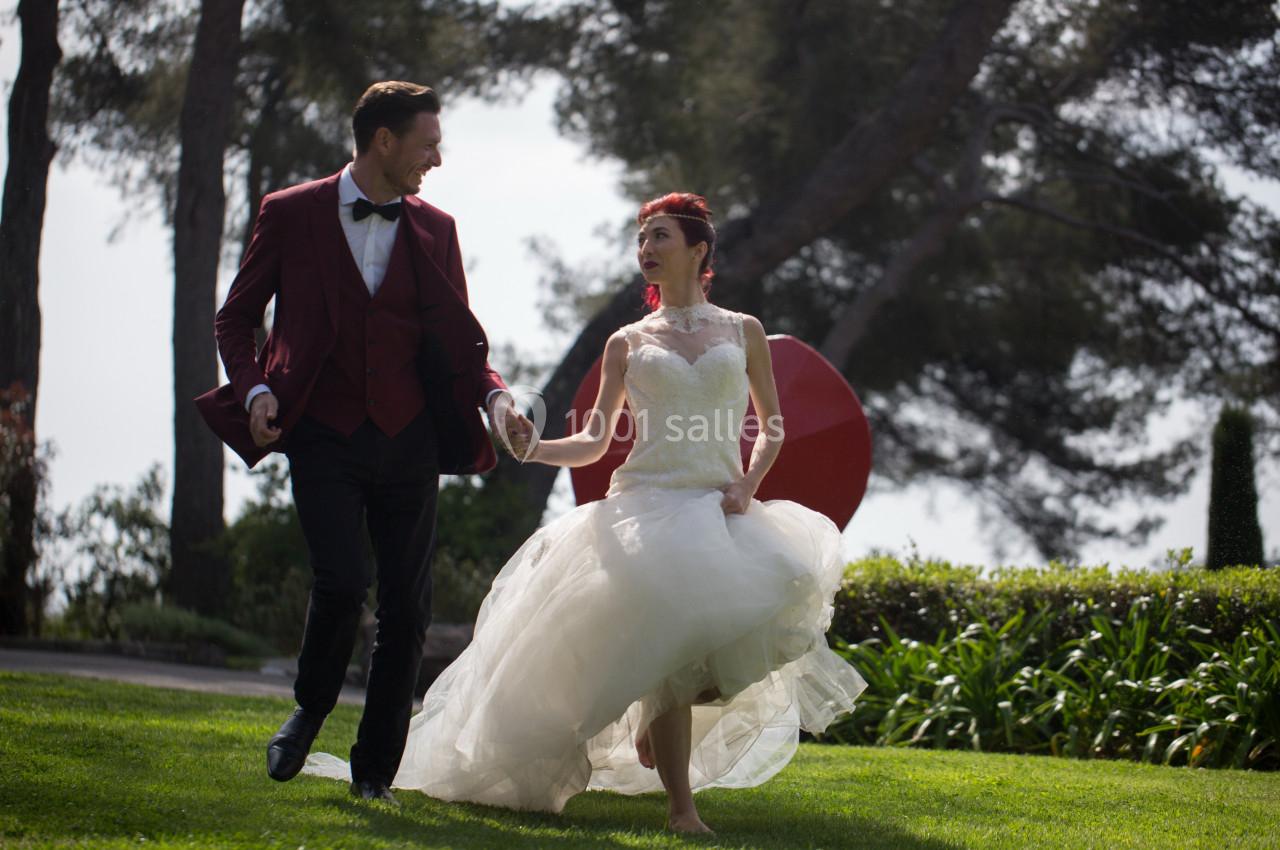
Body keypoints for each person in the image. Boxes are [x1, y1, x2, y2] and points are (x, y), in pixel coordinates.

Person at [302, 192, 867, 833]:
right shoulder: (627, 342)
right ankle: (683, 809)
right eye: (641, 239)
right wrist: (535, 447)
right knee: (670, 650)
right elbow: (598, 438)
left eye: (659, 237)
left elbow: (772, 428)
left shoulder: (744, 331)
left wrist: (747, 486)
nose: (646, 250)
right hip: (644, 511)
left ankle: (657, 715)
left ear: (698, 249)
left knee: (742, 639)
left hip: (722, 506)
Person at [195, 81, 527, 803]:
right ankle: (310, 707)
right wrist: (254, 391)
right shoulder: (290, 214)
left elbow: (460, 342)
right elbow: (236, 318)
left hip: (409, 438)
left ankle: (374, 770)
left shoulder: (437, 230)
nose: (436, 159)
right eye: (428, 144)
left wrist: (497, 401)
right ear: (384, 141)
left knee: (406, 607)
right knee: (341, 582)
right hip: (323, 433)